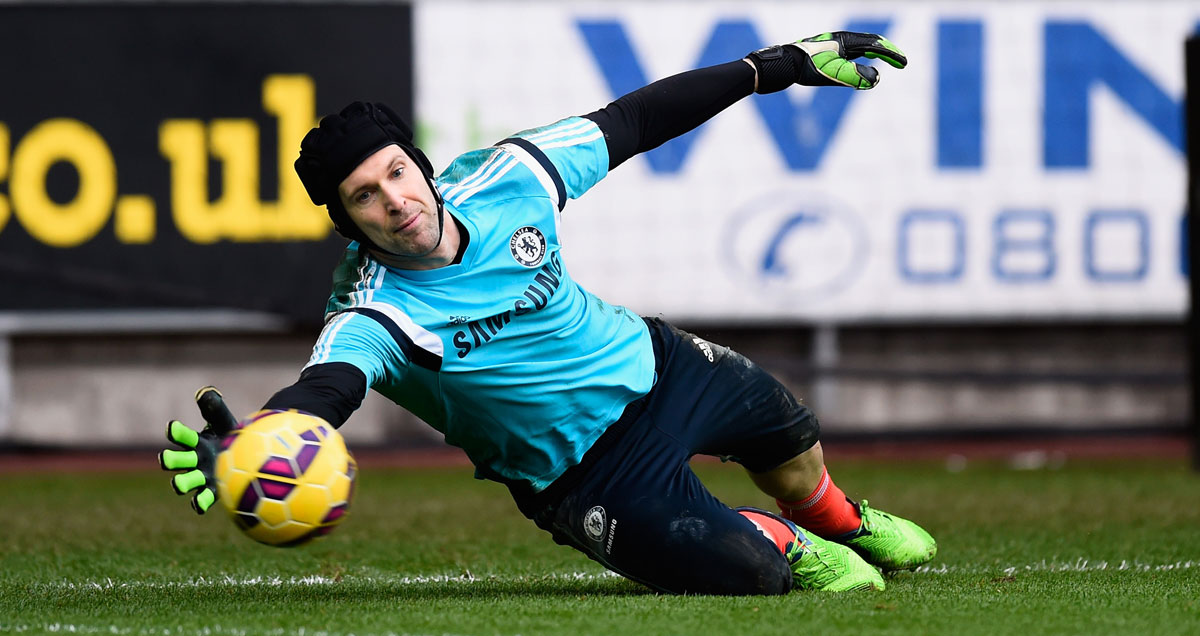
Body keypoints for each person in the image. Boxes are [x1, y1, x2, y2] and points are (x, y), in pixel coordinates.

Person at [160, 31, 934, 595]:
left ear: (421, 166)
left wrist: (773, 67)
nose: (395, 200)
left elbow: (635, 120)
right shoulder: (374, 313)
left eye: (397, 172)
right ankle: (792, 543)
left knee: (789, 432)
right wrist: (264, 436)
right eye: (365, 195)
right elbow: (327, 390)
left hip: (655, 368)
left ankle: (840, 518)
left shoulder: (511, 176)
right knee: (750, 575)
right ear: (347, 222)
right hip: (588, 473)